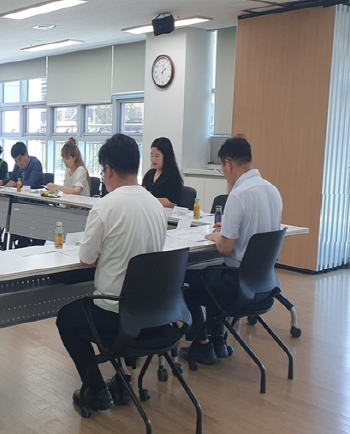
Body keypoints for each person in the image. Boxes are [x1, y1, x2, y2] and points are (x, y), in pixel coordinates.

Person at [55, 133, 168, 411]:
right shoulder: (156, 205)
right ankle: (122, 380)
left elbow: (86, 259)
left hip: (116, 314)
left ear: (108, 170)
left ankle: (96, 390)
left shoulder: (105, 206)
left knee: (67, 319)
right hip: (154, 313)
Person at [179, 136, 282, 365]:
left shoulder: (238, 194)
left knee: (184, 279)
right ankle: (218, 341)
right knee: (214, 273)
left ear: (228, 164)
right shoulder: (272, 190)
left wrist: (218, 236)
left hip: (237, 286)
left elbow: (226, 249)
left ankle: (202, 345)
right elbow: (255, 232)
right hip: (265, 284)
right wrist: (227, 229)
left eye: (222, 169)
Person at [142, 137, 183, 208]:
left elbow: (171, 203)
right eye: (152, 155)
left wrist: (148, 197)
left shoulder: (173, 176)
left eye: (157, 156)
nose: (153, 159)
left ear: (166, 157)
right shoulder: (149, 174)